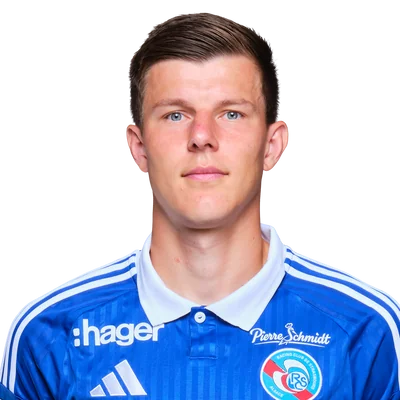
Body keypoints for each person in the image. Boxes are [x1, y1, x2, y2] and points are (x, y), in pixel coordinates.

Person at [1, 10, 399, 400]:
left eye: (231, 113)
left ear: (272, 146)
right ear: (138, 149)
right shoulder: (50, 333)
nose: (202, 136)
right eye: (176, 115)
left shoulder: (368, 330)